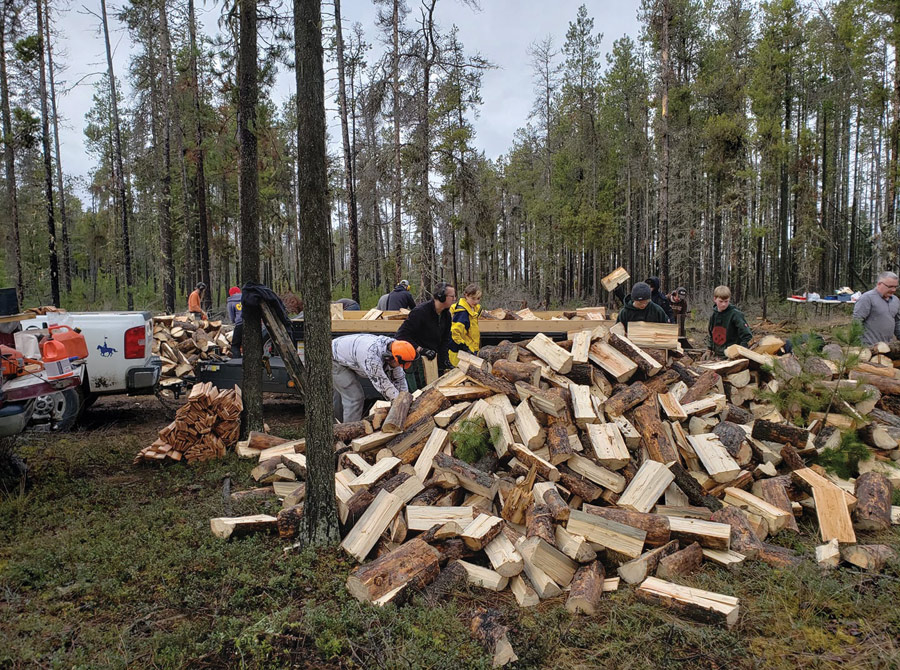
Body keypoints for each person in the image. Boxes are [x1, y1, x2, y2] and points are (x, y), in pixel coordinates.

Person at [332, 334, 415, 423]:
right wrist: (400, 404)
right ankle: (347, 430)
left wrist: (406, 398)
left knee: (342, 394)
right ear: (390, 358)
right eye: (399, 364)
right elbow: (383, 385)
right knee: (354, 397)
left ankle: (335, 424)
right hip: (334, 358)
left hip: (350, 356)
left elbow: (399, 379)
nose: (399, 367)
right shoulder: (371, 357)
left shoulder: (396, 349)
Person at [396, 281, 456, 388]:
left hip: (432, 361)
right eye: (452, 296)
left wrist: (445, 360)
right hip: (416, 362)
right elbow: (401, 335)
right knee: (419, 392)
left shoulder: (446, 314)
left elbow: (445, 340)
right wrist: (420, 349)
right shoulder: (420, 312)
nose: (454, 299)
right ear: (441, 296)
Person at [853, 271, 900, 346]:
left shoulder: (895, 300)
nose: (894, 290)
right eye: (890, 286)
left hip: (888, 347)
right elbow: (857, 321)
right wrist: (858, 344)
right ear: (879, 284)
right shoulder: (867, 298)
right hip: (869, 348)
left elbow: (898, 323)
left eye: (895, 287)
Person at [707, 285, 752, 356]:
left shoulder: (736, 315)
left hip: (731, 355)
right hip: (717, 354)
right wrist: (709, 349)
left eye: (726, 301)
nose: (724, 304)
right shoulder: (713, 315)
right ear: (715, 299)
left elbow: (747, 336)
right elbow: (710, 334)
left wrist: (740, 352)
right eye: (721, 301)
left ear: (729, 299)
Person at [449, 283, 483, 366]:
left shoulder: (473, 310)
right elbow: (455, 332)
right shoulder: (462, 312)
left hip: (471, 348)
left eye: (478, 299)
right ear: (466, 296)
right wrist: (464, 347)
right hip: (460, 353)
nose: (476, 301)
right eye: (473, 298)